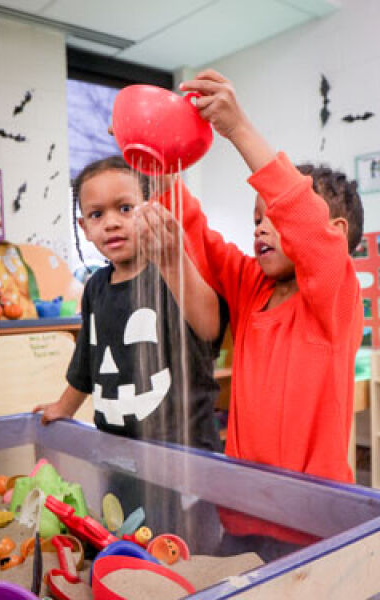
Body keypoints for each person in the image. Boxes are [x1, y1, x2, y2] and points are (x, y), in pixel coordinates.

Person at [136, 70, 364, 554]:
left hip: (312, 523)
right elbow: (203, 238)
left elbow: (301, 213)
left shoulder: (334, 297)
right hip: (240, 512)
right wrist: (156, 163)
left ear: (335, 233)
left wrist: (238, 129)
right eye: (256, 217)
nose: (261, 227)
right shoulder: (250, 286)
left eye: (273, 218)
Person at [33, 155, 228, 453]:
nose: (111, 223)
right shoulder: (95, 287)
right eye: (97, 215)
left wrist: (174, 261)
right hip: (117, 449)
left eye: (125, 209)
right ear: (84, 227)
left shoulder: (174, 272)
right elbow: (87, 359)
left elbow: (211, 328)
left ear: (154, 211)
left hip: (184, 453)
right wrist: (64, 407)